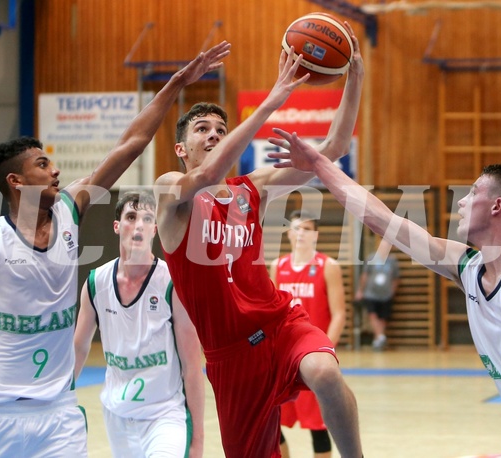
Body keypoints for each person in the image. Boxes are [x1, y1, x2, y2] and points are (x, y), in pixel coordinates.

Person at [0, 41, 229, 458]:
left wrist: (175, 83)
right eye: (42, 164)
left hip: (58, 416)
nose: (55, 169)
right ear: (16, 183)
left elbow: (131, 143)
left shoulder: (71, 211)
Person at [268, 131, 501, 457]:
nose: (462, 201)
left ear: (497, 205)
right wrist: (318, 164)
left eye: (472, 192)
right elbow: (382, 220)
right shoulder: (467, 266)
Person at [153, 22, 364, 458]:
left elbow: (337, 145)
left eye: (219, 129)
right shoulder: (170, 188)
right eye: (202, 130)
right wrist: (273, 100)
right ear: (180, 148)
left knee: (325, 372)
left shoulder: (255, 187)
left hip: (278, 323)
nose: (213, 135)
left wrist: (355, 77)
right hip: (231, 356)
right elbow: (207, 176)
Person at [73, 191, 205, 458]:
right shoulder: (96, 282)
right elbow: (78, 349)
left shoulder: (172, 282)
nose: (139, 225)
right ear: (117, 226)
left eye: (147, 218)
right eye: (131, 217)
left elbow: (192, 367)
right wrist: (57, 400)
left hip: (164, 414)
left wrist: (198, 440)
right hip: (117, 415)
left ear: (155, 230)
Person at [270, 209, 346, 458]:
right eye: (296, 228)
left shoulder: (328, 266)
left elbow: (339, 314)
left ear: (316, 235)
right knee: (273, 420)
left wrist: (325, 352)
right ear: (289, 234)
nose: (301, 233)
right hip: (284, 357)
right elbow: (272, 313)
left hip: (314, 357)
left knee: (319, 424)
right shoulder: (277, 266)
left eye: (307, 229)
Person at [355, 236, 400, 351]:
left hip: (385, 295)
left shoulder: (393, 261)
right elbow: (365, 275)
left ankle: (378, 340)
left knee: (383, 318)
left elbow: (396, 279)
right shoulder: (371, 258)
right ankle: (381, 336)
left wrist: (392, 292)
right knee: (372, 315)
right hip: (371, 294)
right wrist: (360, 290)